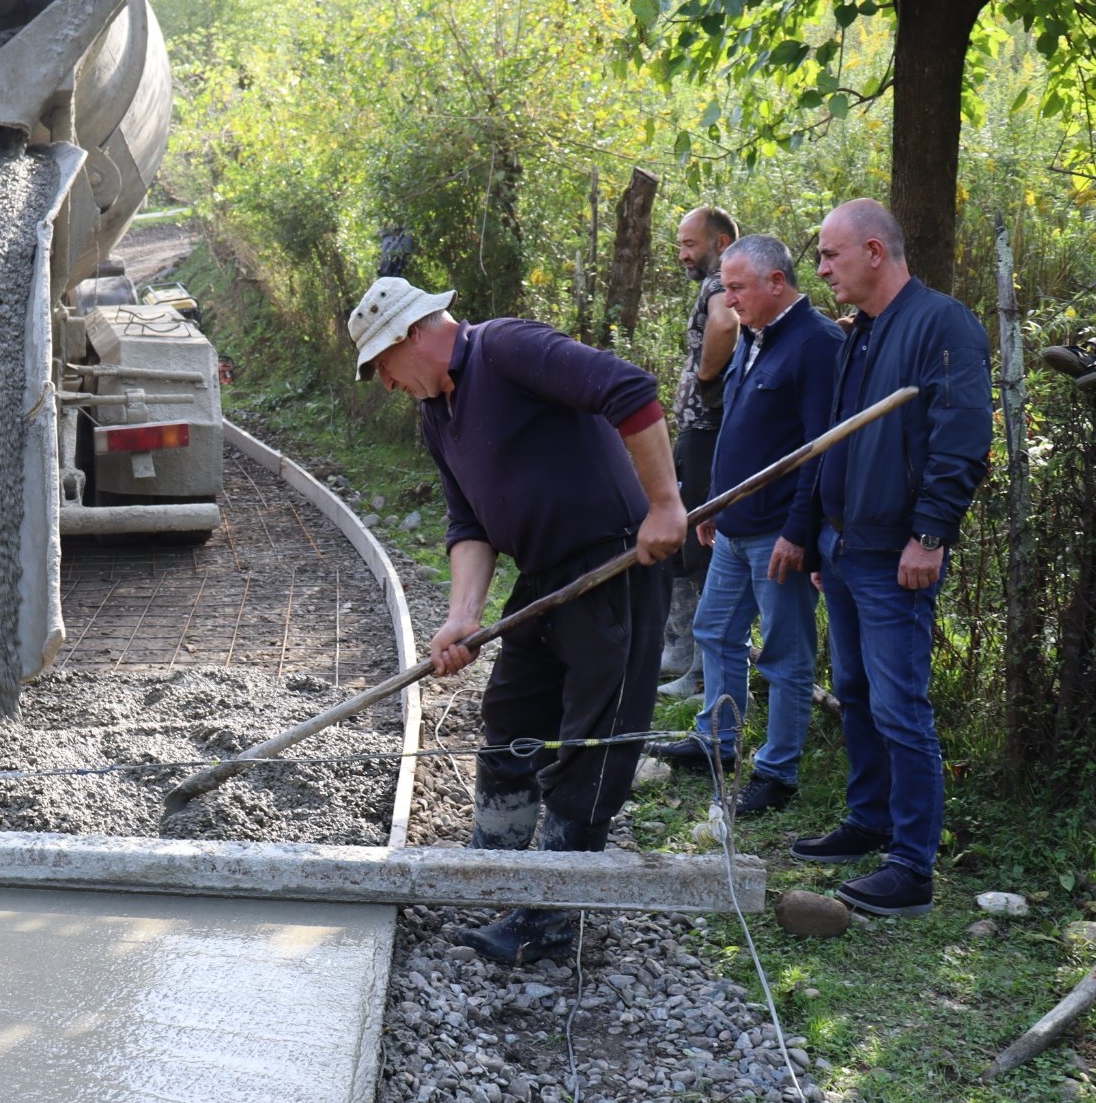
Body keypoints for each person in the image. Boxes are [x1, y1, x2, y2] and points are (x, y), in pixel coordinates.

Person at [348, 276, 686, 964]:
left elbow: (629, 390)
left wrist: (664, 503)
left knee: (594, 741)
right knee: (511, 712)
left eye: (382, 364)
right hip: (544, 577)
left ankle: (547, 915)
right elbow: (469, 522)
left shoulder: (505, 349)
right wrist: (462, 617)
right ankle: (494, 864)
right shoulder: (437, 414)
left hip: (613, 564)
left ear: (412, 334)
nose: (385, 382)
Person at [792, 199, 991, 918]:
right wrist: (823, 535)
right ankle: (868, 820)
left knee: (900, 705)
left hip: (895, 552)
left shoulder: (942, 324)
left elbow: (961, 437)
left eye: (830, 255)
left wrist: (930, 535)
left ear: (874, 251)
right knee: (854, 690)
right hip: (846, 546)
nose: (821, 269)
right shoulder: (863, 332)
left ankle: (911, 866)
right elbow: (836, 439)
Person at [645, 235, 841, 814]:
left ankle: (777, 773)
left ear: (776, 282)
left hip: (779, 532)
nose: (727, 300)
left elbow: (821, 450)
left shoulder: (817, 344)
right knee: (714, 631)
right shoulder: (754, 337)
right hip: (733, 525)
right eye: (725, 288)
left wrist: (798, 532)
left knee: (785, 654)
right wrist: (715, 505)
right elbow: (734, 429)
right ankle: (717, 741)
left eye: (736, 288)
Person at [659, 206, 740, 702]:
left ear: (721, 243)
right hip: (698, 434)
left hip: (709, 435)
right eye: (681, 245)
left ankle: (702, 670)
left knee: (699, 548)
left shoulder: (720, 285)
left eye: (690, 244)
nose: (683, 254)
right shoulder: (716, 283)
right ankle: (682, 653)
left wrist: (706, 376)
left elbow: (726, 325)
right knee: (684, 544)